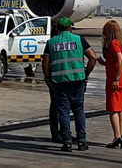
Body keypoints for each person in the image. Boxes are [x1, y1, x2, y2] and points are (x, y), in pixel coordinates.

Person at [42, 17, 97, 152]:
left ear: (58, 28)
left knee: (63, 112)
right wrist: (86, 74)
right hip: (77, 81)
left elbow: (45, 64)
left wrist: (49, 80)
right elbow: (93, 57)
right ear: (70, 28)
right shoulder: (79, 40)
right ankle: (82, 142)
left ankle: (66, 142)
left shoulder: (51, 42)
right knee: (79, 111)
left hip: (59, 82)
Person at [97, 20, 122, 148]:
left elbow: (120, 61)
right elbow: (117, 61)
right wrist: (106, 63)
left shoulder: (113, 44)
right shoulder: (120, 43)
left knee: (113, 108)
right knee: (121, 107)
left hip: (117, 78)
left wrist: (116, 78)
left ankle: (117, 136)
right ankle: (121, 135)